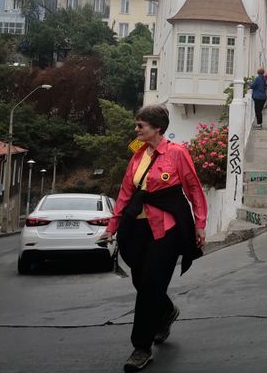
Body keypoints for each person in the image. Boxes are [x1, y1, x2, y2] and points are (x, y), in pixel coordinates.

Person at [100, 104, 207, 372]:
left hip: (166, 229)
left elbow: (194, 189)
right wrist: (111, 226)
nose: (136, 130)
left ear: (157, 128)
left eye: (141, 126)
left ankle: (141, 347)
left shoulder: (177, 153)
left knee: (150, 286)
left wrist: (200, 225)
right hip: (136, 229)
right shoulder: (137, 155)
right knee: (141, 281)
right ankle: (167, 310)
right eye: (136, 125)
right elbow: (126, 192)